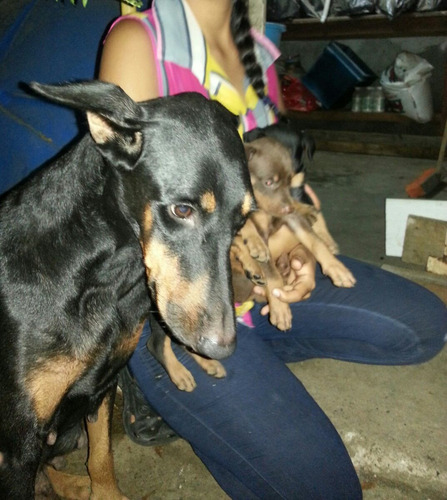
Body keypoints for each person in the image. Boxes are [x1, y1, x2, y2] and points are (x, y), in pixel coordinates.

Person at [99, 1, 447, 498]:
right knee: (328, 490)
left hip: (257, 283)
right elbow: (113, 224)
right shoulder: (140, 44)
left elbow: (278, 195)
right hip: (180, 318)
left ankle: (260, 364)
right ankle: (164, 385)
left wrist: (295, 258)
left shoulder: (258, 53)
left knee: (424, 326)